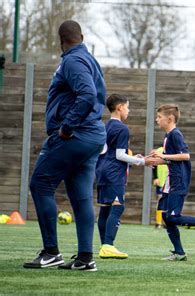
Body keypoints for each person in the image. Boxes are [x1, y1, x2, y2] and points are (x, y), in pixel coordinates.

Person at [24, 20, 105, 271]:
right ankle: (85, 258)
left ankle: (51, 252)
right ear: (81, 36)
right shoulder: (89, 59)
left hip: (76, 135)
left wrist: (67, 127)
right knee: (81, 198)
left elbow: (88, 94)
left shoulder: (72, 61)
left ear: (60, 39)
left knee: (40, 184)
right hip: (92, 137)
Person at [152, 104, 195, 261]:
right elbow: (171, 160)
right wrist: (150, 160)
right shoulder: (167, 136)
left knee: (174, 217)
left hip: (178, 181)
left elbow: (185, 156)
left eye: (159, 117)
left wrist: (163, 156)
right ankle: (179, 252)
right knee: (165, 216)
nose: (157, 120)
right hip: (170, 181)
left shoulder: (175, 134)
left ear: (170, 119)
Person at [95, 94, 158, 259]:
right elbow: (120, 155)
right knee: (118, 206)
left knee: (106, 207)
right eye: (128, 107)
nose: (129, 111)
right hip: (114, 173)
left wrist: (134, 159)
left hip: (101, 170)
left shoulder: (105, 125)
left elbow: (109, 152)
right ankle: (108, 245)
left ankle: (105, 246)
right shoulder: (122, 128)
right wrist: (143, 161)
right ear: (120, 107)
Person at [152, 146, 168, 229]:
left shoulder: (173, 150)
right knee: (160, 200)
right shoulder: (159, 150)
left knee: (169, 201)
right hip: (161, 181)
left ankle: (166, 222)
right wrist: (155, 177)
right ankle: (158, 222)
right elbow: (154, 164)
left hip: (170, 181)